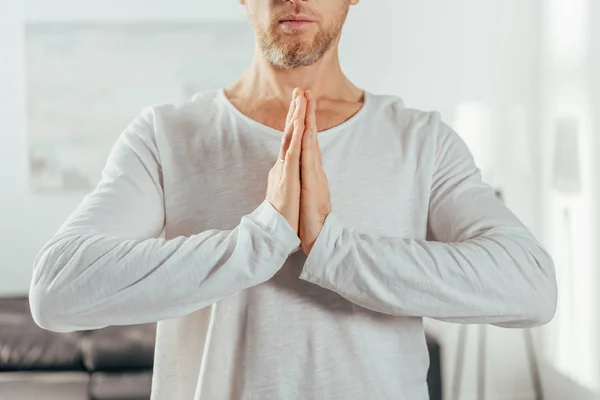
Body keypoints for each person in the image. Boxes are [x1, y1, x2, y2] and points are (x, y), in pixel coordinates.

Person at [29, 0, 558, 399]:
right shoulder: (166, 134)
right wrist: (263, 239)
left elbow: (530, 286)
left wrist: (333, 246)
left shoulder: (421, 140)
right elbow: (58, 289)